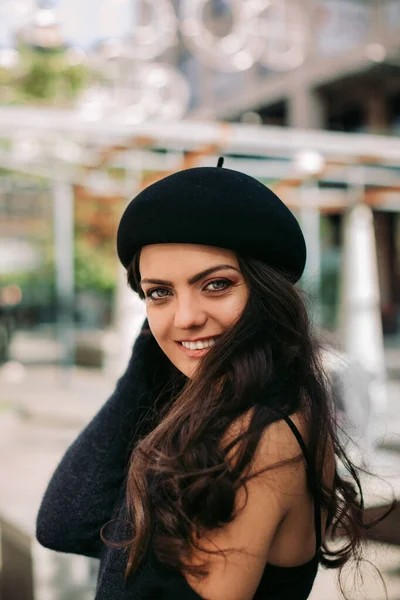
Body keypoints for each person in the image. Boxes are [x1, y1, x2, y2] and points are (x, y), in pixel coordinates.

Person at [36, 160, 394, 600]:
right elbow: (67, 521)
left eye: (216, 285)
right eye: (159, 292)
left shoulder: (257, 438)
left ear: (266, 292)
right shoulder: (223, 408)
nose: (186, 317)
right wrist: (153, 348)